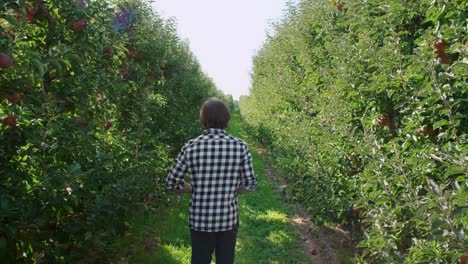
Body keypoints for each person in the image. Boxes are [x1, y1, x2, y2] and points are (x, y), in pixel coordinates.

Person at [164, 97, 257, 264]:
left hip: (200, 219)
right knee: (226, 260)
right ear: (227, 119)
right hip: (228, 219)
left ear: (203, 119)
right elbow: (250, 184)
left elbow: (172, 183)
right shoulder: (240, 146)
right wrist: (230, 189)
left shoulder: (190, 147)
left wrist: (193, 188)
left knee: (199, 260)